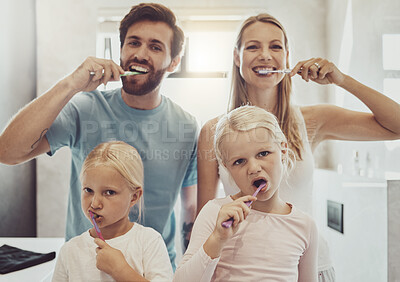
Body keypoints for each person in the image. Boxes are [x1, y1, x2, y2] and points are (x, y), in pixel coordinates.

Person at [196, 13, 400, 281]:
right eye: (253, 46)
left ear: (287, 57)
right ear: (237, 57)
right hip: (242, 271)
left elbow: (395, 125)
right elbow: (204, 221)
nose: (266, 55)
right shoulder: (214, 131)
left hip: (311, 266)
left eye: (275, 46)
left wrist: (341, 79)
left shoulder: (311, 121)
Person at [0, 3, 197, 269]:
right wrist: (70, 85)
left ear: (173, 62)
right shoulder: (86, 107)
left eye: (155, 46)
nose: (140, 53)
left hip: (152, 271)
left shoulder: (186, 126)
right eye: (133, 43)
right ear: (121, 49)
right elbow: (7, 152)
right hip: (84, 268)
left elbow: (191, 209)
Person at [174, 105, 318, 282]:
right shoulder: (215, 213)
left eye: (263, 153)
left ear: (283, 150)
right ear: (226, 168)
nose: (254, 168)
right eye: (239, 161)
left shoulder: (305, 226)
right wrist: (217, 239)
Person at [52, 141, 172, 281]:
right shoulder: (70, 251)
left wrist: (121, 271)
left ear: (134, 197)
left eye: (109, 192)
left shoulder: (149, 242)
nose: (95, 203)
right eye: (88, 190)